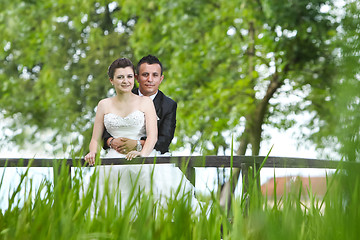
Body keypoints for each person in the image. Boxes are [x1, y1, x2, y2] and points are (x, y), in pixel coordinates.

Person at [84, 57, 198, 210]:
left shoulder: (160, 104)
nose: (125, 81)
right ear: (112, 80)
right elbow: (98, 137)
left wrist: (139, 148)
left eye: (128, 76)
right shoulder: (104, 104)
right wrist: (99, 148)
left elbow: (160, 140)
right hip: (113, 158)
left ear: (161, 78)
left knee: (157, 198)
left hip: (145, 155)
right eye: (120, 77)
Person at [102, 55, 177, 155]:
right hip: (118, 155)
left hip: (155, 158)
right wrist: (111, 142)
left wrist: (137, 144)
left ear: (161, 79)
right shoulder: (123, 96)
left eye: (155, 75)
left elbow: (164, 141)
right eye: (145, 75)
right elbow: (104, 132)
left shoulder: (168, 105)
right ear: (136, 77)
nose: (150, 79)